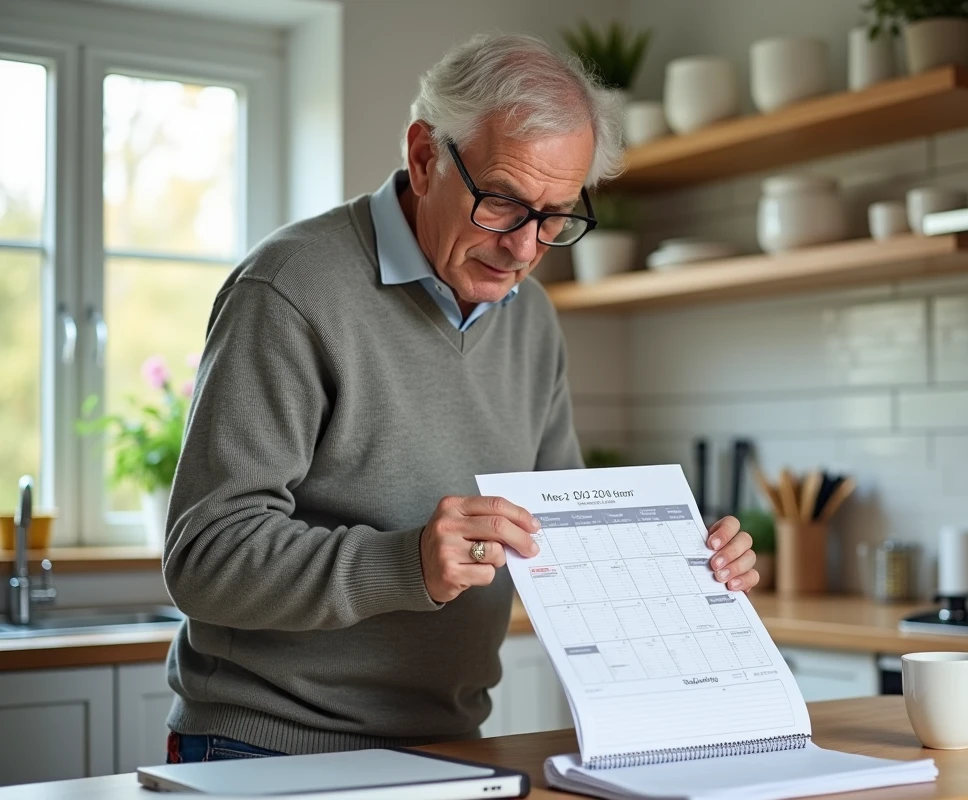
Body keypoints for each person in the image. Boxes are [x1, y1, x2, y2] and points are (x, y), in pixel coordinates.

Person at [161, 32, 760, 764]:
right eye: (503, 203)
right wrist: (406, 562)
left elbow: (567, 540)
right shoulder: (292, 288)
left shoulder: (530, 317)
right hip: (268, 750)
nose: (525, 249)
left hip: (451, 746)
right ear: (424, 156)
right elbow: (205, 557)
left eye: (555, 216)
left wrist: (689, 569)